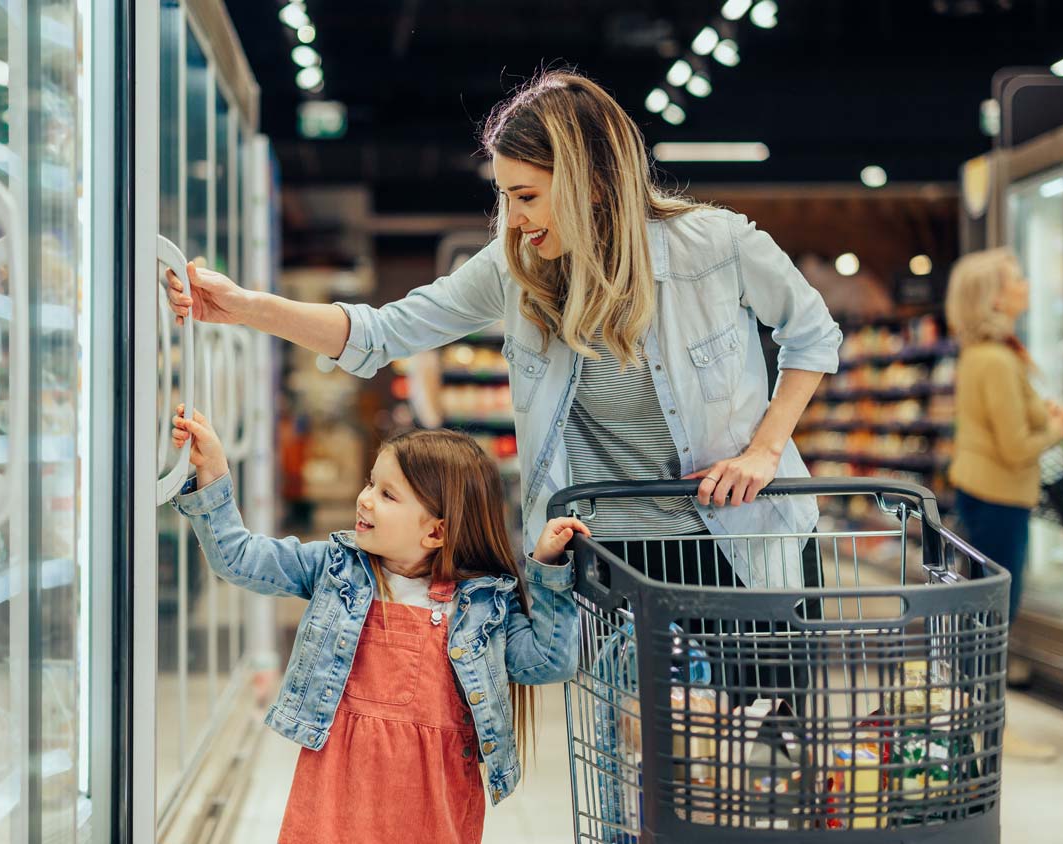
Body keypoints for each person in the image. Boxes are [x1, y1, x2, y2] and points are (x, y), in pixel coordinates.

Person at [167, 70, 838, 608]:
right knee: (637, 759)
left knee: (770, 752)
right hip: (614, 560)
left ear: (589, 185)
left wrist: (765, 449)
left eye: (527, 196)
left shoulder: (714, 246)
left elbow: (811, 333)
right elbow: (384, 330)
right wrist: (249, 308)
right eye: (505, 198)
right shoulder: (515, 271)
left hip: (746, 543)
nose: (512, 221)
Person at [169, 404, 583, 842]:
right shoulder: (334, 568)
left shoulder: (483, 606)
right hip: (336, 787)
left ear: (436, 532)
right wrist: (213, 472)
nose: (365, 497)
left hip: (432, 803)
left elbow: (549, 661)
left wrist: (546, 569)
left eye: (387, 494)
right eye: (370, 482)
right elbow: (238, 558)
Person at [945, 248, 1063, 762]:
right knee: (994, 617)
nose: (1024, 283)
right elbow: (1015, 447)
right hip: (996, 497)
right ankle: (988, 727)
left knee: (985, 615)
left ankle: (979, 722)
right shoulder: (994, 358)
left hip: (989, 495)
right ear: (994, 296)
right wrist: (1057, 430)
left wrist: (1042, 415)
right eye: (1015, 277)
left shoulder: (990, 353)